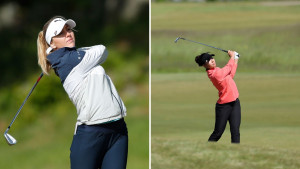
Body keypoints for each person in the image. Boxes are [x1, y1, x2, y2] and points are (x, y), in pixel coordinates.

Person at [37, 16, 128, 169]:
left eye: (69, 29)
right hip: (91, 135)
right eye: (60, 33)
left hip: (117, 130)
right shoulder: (66, 61)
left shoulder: (76, 57)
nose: (68, 34)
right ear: (51, 43)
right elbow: (102, 50)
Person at [195, 51, 241, 143]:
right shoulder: (214, 74)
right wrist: (232, 57)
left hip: (235, 102)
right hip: (224, 106)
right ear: (204, 65)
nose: (212, 60)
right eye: (208, 60)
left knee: (235, 131)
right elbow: (227, 69)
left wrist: (236, 60)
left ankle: (236, 153)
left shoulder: (218, 70)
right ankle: (206, 149)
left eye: (211, 58)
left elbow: (230, 75)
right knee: (218, 133)